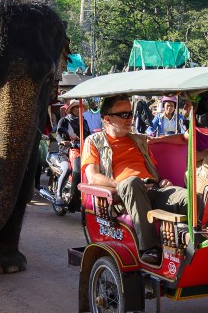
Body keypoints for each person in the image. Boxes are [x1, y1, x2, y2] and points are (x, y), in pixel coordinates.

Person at [81, 94, 189, 266]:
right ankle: (149, 248)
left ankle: (199, 241)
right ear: (107, 119)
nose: (130, 118)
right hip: (122, 195)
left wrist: (161, 182)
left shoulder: (139, 140)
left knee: (191, 198)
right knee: (133, 183)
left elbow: (152, 171)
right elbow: (92, 177)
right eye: (124, 115)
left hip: (152, 189)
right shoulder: (94, 141)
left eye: (131, 114)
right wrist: (121, 185)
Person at [152, 93, 208, 168]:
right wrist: (158, 139)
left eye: (187, 104)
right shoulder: (195, 124)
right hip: (203, 173)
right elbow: (184, 138)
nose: (184, 108)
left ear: (197, 107)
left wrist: (204, 155)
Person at [54, 100, 91, 201]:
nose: (79, 109)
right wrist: (63, 141)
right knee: (67, 169)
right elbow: (58, 133)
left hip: (82, 151)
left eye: (81, 107)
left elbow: (89, 136)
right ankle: (58, 194)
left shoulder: (84, 121)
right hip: (65, 152)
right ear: (71, 109)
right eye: (77, 107)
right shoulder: (64, 120)